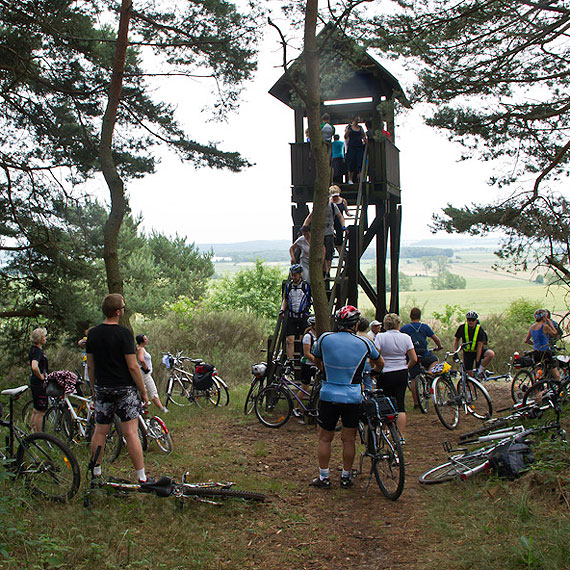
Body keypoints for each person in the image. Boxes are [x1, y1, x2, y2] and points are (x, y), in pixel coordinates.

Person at [310, 305, 382, 489]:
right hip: (352, 396)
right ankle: (346, 476)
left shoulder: (325, 338)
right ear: (356, 324)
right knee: (349, 439)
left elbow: (317, 359)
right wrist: (372, 373)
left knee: (325, 438)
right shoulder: (365, 343)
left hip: (328, 395)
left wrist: (323, 369)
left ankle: (324, 477)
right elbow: (379, 363)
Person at [87, 293, 151, 483]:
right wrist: (143, 390)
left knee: (100, 431)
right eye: (123, 307)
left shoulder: (93, 334)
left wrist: (93, 388)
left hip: (103, 388)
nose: (124, 309)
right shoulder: (124, 334)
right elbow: (132, 366)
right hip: (125, 389)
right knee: (131, 432)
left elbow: (91, 366)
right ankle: (141, 477)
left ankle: (96, 473)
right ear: (117, 312)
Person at [374, 313, 417, 443]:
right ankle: (400, 436)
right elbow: (414, 358)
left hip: (385, 372)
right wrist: (406, 367)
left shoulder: (380, 337)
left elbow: (375, 355)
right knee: (400, 404)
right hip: (401, 371)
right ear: (398, 324)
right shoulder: (406, 337)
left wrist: (375, 369)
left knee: (384, 402)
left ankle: (385, 430)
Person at [401, 307, 443, 408]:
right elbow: (436, 339)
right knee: (435, 360)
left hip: (412, 355)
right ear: (420, 316)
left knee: (414, 379)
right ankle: (429, 373)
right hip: (424, 353)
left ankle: (416, 403)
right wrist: (439, 346)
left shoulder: (405, 328)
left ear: (410, 316)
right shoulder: (424, 327)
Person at [303, 200, 345, 278]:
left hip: (329, 233)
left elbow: (340, 216)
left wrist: (343, 226)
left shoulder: (332, 206)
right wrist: (304, 226)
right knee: (321, 254)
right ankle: (323, 271)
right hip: (319, 234)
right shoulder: (318, 205)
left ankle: (327, 271)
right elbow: (310, 217)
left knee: (328, 254)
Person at [280, 265, 312, 360]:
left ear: (300, 274)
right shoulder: (288, 286)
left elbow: (311, 299)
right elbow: (285, 299)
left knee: (304, 340)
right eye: (292, 275)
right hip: (291, 315)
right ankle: (290, 361)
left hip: (303, 315)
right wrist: (282, 310)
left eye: (295, 275)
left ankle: (303, 359)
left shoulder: (306, 286)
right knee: (289, 340)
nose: (293, 277)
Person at [453, 311, 495, 378]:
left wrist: (477, 362)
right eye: (469, 320)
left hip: (477, 351)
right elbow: (456, 340)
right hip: (467, 353)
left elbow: (480, 346)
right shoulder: (462, 328)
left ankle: (479, 371)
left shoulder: (479, 329)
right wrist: (455, 352)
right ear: (466, 320)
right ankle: (471, 384)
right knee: (469, 376)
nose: (471, 322)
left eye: (473, 320)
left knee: (490, 354)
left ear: (476, 320)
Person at [136, 334, 169, 413]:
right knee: (152, 390)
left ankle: (144, 406)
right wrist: (146, 369)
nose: (147, 340)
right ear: (142, 341)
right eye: (145, 339)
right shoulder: (140, 349)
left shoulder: (141, 348)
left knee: (144, 390)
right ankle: (162, 409)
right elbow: (141, 360)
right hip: (144, 374)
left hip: (144, 373)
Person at [524, 309, 560, 379]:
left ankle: (536, 388)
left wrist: (535, 343)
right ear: (544, 317)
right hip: (545, 352)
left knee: (538, 373)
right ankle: (558, 386)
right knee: (556, 374)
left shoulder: (532, 327)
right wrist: (550, 323)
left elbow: (526, 340)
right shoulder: (545, 327)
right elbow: (555, 333)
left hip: (536, 352)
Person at [294, 316, 318, 417]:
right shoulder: (308, 336)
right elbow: (307, 353)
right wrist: (317, 361)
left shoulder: (318, 335)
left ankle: (313, 406)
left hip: (315, 365)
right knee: (305, 387)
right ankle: (296, 408)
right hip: (307, 364)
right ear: (313, 325)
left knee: (317, 388)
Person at [29, 327, 48, 432]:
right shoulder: (37, 351)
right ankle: (39, 435)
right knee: (41, 411)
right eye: (44, 336)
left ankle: (33, 432)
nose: (45, 338)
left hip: (34, 383)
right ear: (40, 338)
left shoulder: (33, 349)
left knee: (36, 410)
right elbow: (34, 366)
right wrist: (41, 376)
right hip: (39, 384)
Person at [344, 116, 366, 184]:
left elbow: (363, 136)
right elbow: (345, 136)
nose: (358, 121)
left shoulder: (360, 128)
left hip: (359, 147)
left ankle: (360, 179)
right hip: (351, 147)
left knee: (359, 162)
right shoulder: (349, 127)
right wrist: (347, 131)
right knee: (351, 162)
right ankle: (350, 179)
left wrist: (365, 142)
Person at [357, 317, 375, 390]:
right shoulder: (369, 338)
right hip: (367, 362)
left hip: (357, 362)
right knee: (368, 384)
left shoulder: (355, 336)